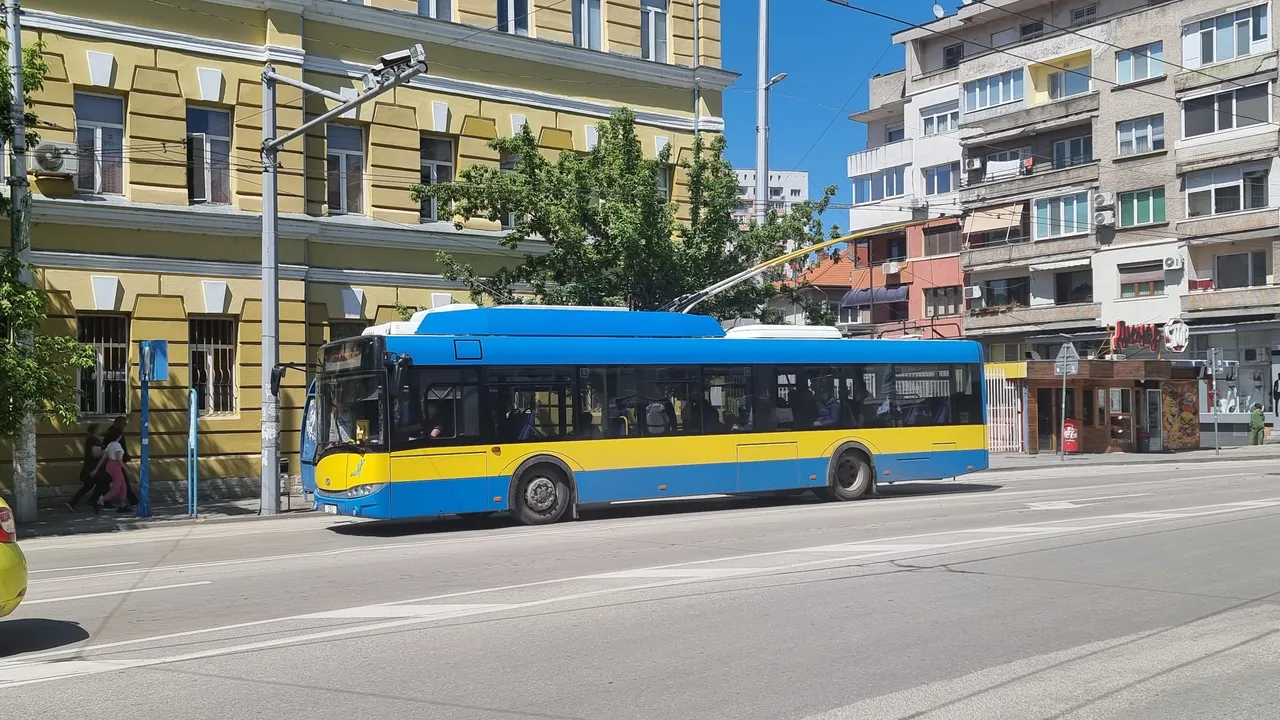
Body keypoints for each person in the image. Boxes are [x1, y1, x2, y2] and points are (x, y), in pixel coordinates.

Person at [90, 433, 132, 514]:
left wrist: (96, 469)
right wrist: (126, 468)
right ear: (119, 436)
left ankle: (123, 505)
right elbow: (119, 459)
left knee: (123, 486)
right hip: (115, 466)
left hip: (109, 465)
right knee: (117, 487)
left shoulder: (109, 445)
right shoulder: (117, 446)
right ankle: (100, 500)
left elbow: (103, 458)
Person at [66, 424, 104, 511]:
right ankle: (93, 501)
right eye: (99, 429)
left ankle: (73, 502)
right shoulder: (94, 440)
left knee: (88, 486)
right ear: (95, 430)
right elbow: (95, 454)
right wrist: (106, 451)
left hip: (89, 466)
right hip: (93, 468)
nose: (101, 431)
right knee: (102, 483)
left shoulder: (89, 439)